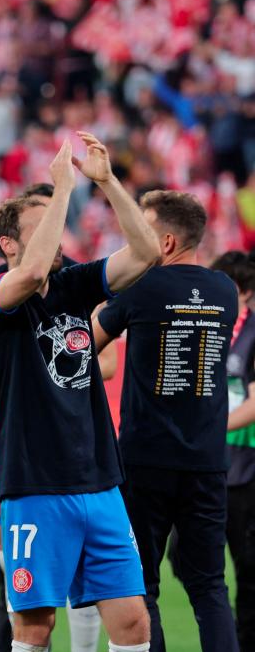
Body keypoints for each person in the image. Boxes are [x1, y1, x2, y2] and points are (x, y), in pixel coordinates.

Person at [0, 131, 160, 652]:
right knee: (34, 629)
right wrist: (62, 190)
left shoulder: (74, 283)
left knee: (133, 623)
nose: (57, 237)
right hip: (34, 487)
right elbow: (29, 271)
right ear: (8, 242)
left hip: (99, 480)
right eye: (42, 226)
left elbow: (145, 253)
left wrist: (108, 183)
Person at [91, 192, 240, 652]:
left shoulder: (143, 288)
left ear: (167, 241)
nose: (134, 243)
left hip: (146, 460)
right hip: (208, 462)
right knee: (210, 588)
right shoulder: (225, 291)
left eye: (143, 234)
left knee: (142, 586)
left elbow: (85, 346)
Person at [210, 251, 255, 648]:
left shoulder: (253, 332)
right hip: (215, 467)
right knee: (187, 559)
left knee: (247, 570)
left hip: (246, 470)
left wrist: (208, 428)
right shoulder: (214, 330)